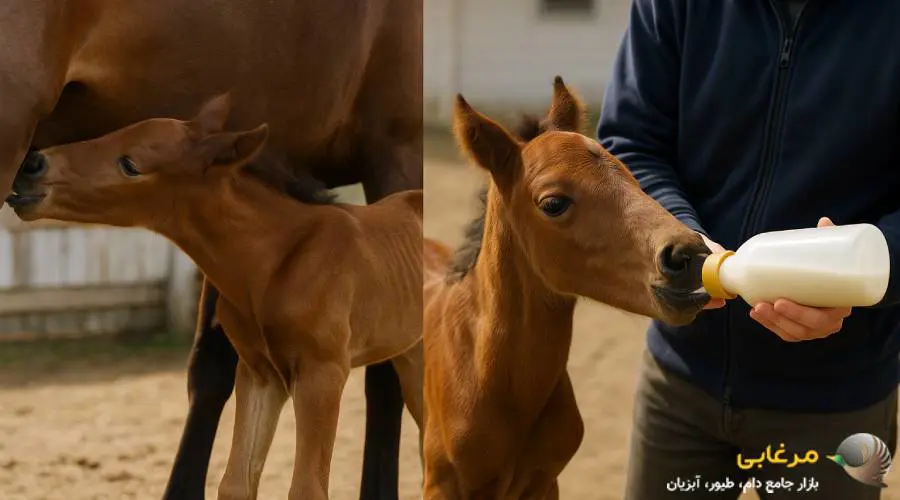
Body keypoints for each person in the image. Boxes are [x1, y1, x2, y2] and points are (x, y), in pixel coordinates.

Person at [598, 0, 900, 498]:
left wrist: (868, 274)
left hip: (837, 400)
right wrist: (687, 243)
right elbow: (632, 140)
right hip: (679, 385)